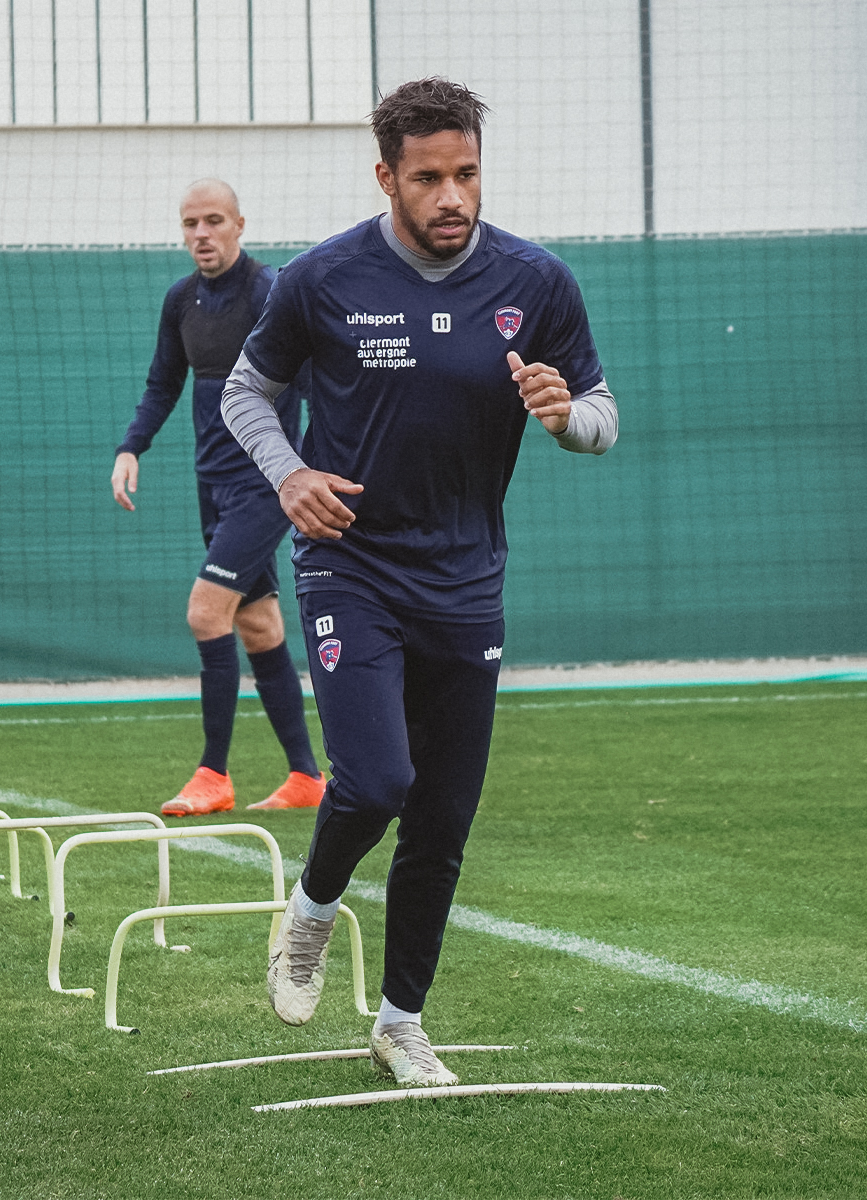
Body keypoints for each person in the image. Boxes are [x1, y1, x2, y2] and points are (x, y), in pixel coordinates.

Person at [221, 78, 619, 1086]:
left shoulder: (537, 282)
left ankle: (400, 1024)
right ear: (386, 177)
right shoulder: (320, 278)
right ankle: (311, 910)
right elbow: (246, 391)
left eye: (467, 174)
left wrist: (564, 416)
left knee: (440, 820)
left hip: (467, 581)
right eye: (429, 178)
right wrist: (289, 473)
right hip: (350, 565)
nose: (452, 197)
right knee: (376, 782)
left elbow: (601, 420)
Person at [111, 179, 326, 814]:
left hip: (264, 484)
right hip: (213, 484)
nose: (201, 234)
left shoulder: (268, 292)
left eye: (213, 220)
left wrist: (307, 466)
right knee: (257, 623)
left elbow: (312, 381)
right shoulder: (181, 300)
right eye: (190, 223)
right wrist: (131, 447)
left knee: (206, 613)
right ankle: (306, 777)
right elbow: (162, 384)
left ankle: (213, 774)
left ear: (239, 224)